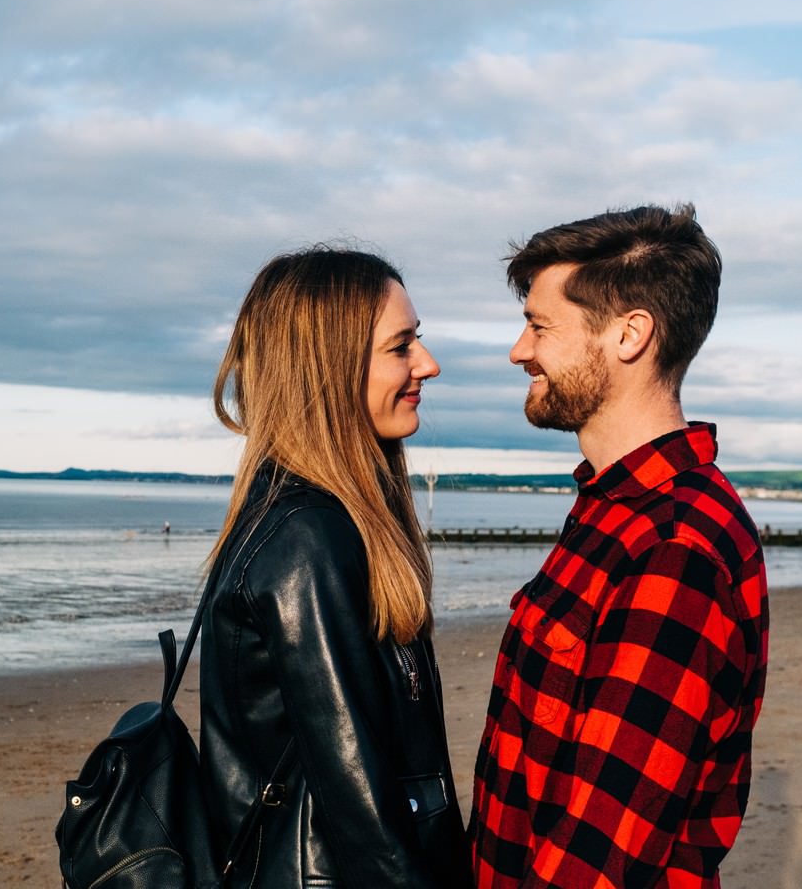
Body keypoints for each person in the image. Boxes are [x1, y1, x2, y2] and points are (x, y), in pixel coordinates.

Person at [471, 205, 769, 888]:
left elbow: (599, 856)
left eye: (540, 326)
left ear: (630, 334)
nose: (520, 351)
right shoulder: (613, 512)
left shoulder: (674, 548)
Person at [200, 246, 473, 887]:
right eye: (401, 346)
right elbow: (365, 812)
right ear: (329, 367)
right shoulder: (307, 539)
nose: (427, 365)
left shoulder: (325, 521)